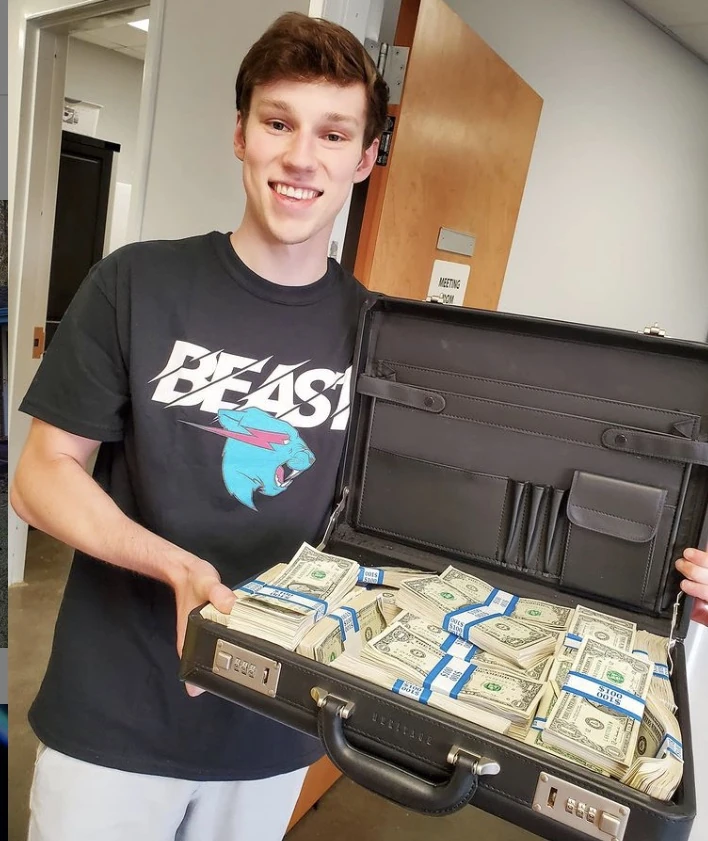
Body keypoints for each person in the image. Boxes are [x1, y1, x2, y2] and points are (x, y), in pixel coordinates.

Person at [11, 12, 387, 841]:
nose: (301, 157)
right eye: (278, 123)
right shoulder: (136, 283)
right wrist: (177, 566)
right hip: (114, 715)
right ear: (241, 134)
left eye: (333, 134)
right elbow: (39, 476)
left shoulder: (383, 339)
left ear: (363, 159)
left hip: (275, 725)